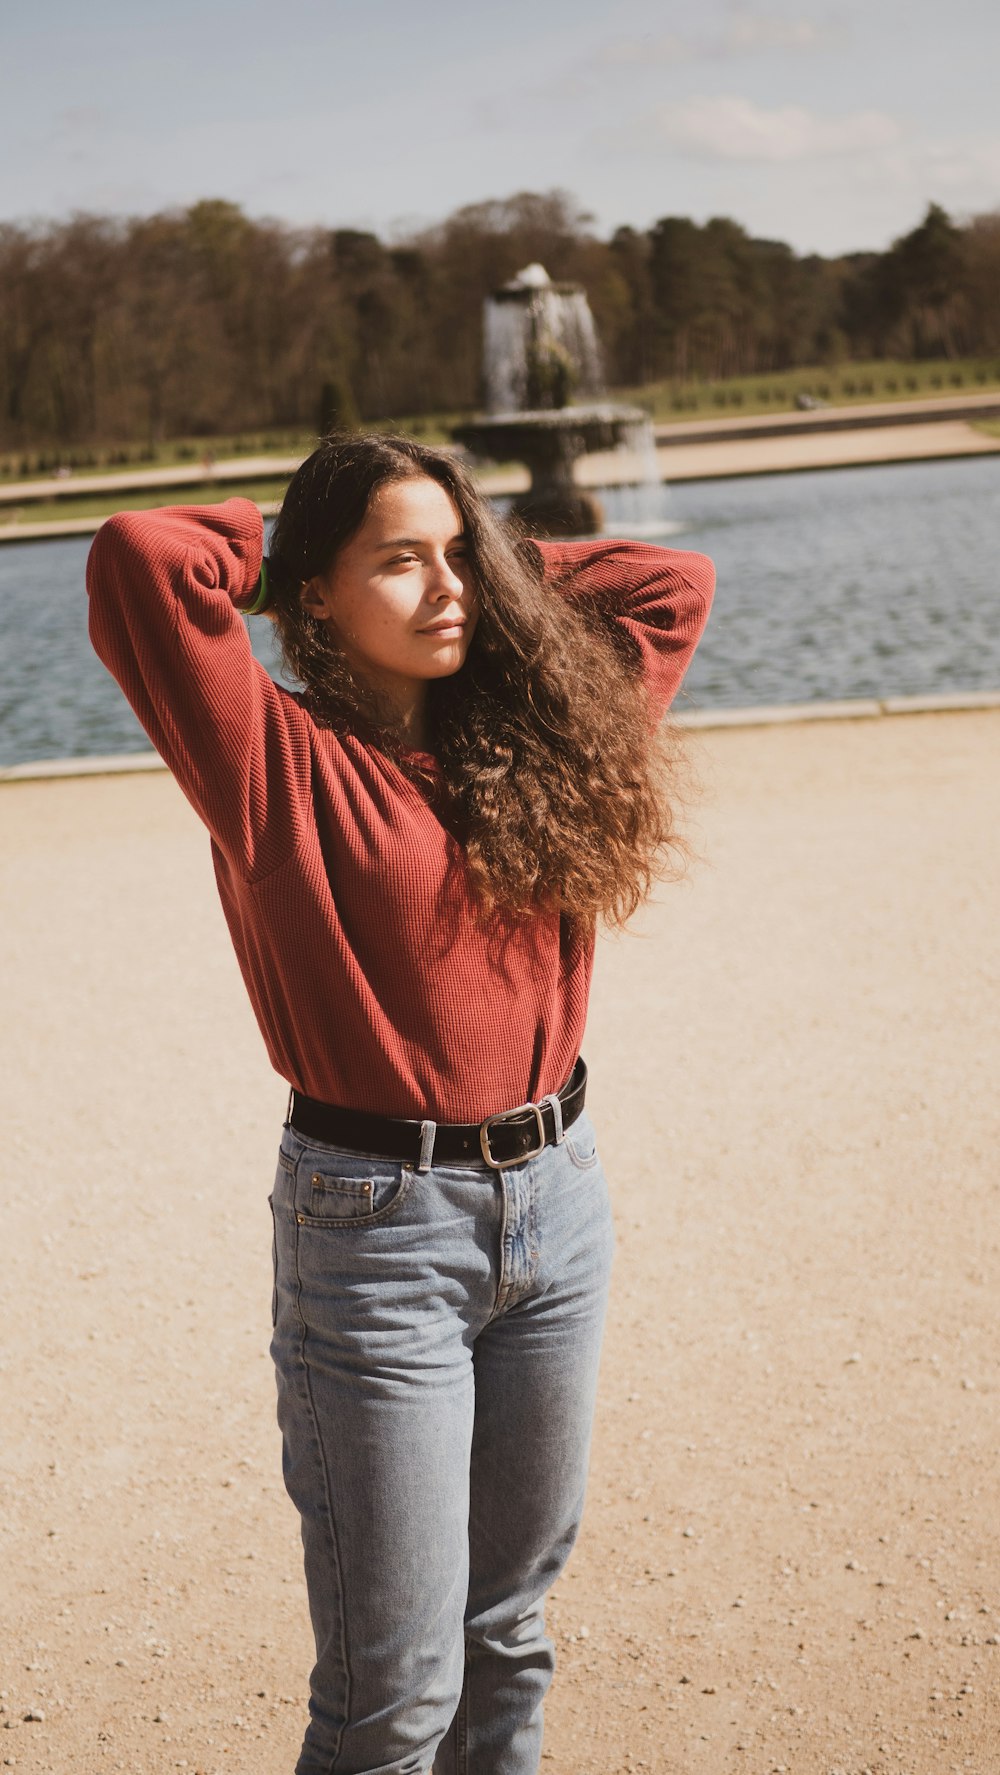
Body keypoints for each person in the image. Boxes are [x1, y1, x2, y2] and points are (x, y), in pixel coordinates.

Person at [87, 432, 714, 1775]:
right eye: (400, 563)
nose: (447, 591)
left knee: (508, 1632)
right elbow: (145, 559)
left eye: (459, 560)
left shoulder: (537, 742)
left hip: (561, 1207)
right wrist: (294, 543)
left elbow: (671, 583)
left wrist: (478, 550)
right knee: (392, 1696)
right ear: (316, 594)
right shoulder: (275, 765)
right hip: (378, 1234)